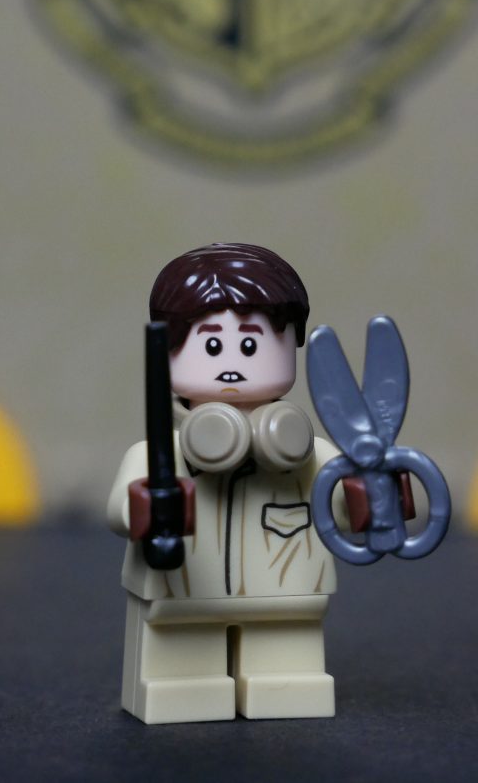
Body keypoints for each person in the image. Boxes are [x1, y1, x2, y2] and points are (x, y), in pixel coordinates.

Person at [107, 243, 343, 724]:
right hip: (183, 596)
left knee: (288, 666)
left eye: (251, 344)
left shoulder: (309, 456)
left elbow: (346, 505)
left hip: (286, 599)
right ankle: (187, 690)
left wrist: (375, 494)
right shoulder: (159, 457)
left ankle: (284, 687)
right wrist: (147, 507)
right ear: (167, 349)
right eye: (211, 346)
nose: (231, 363)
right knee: (181, 674)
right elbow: (120, 513)